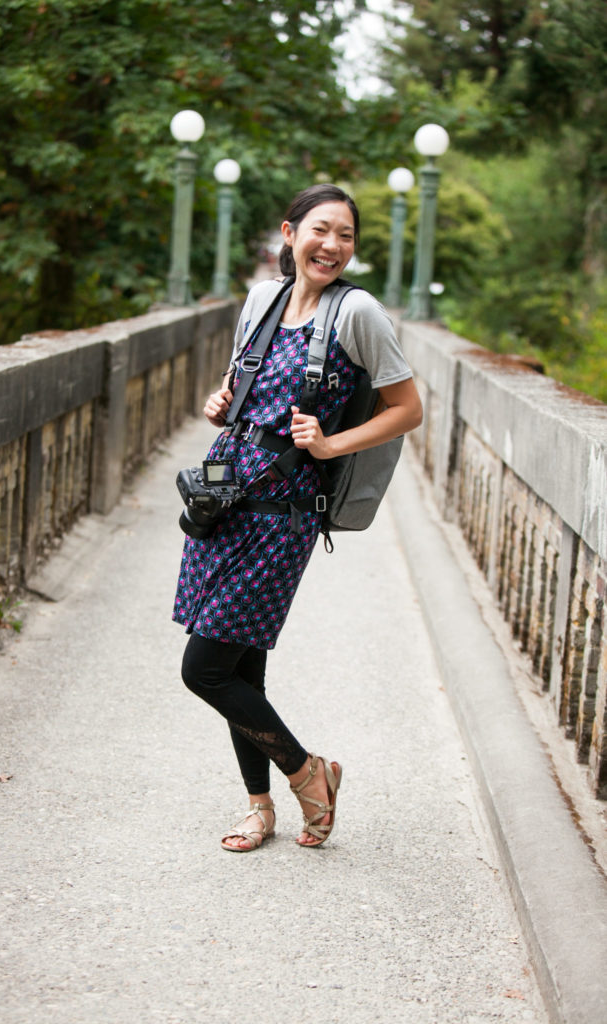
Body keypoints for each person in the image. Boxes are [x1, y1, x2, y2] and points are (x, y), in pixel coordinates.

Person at [173, 184, 422, 852]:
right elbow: (242, 391)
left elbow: (406, 407)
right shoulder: (261, 298)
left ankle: (306, 772)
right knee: (240, 668)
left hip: (282, 515)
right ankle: (259, 806)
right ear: (290, 233)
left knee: (204, 669)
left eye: (345, 235)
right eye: (320, 230)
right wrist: (219, 402)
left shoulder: (357, 312)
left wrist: (330, 443)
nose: (332, 246)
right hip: (222, 497)